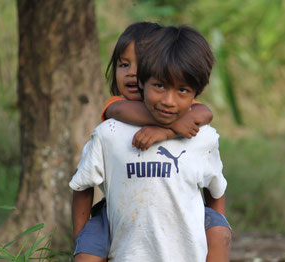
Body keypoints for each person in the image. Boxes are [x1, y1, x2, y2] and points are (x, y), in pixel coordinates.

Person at [70, 25, 230, 261]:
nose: (133, 74)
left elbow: (205, 113)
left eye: (140, 64)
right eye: (124, 65)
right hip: (119, 220)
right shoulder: (112, 122)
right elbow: (82, 185)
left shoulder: (199, 131)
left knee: (219, 229)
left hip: (179, 230)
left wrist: (164, 131)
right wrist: (173, 126)